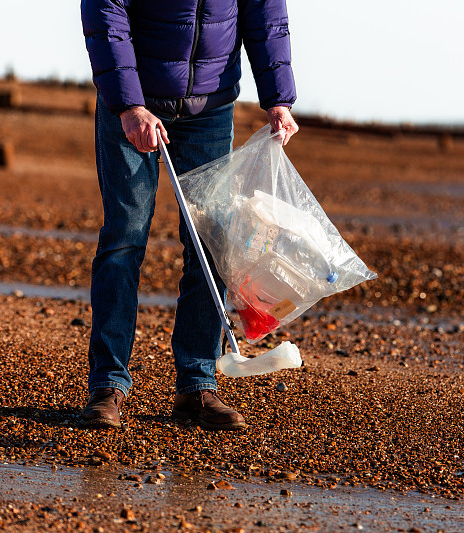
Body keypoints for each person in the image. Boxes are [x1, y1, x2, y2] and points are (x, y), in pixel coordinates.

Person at [79, 0, 299, 430]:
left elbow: (267, 16)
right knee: (124, 240)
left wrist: (278, 98)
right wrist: (129, 105)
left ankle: (197, 386)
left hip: (210, 111)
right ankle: (107, 386)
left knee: (208, 246)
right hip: (134, 105)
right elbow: (106, 13)